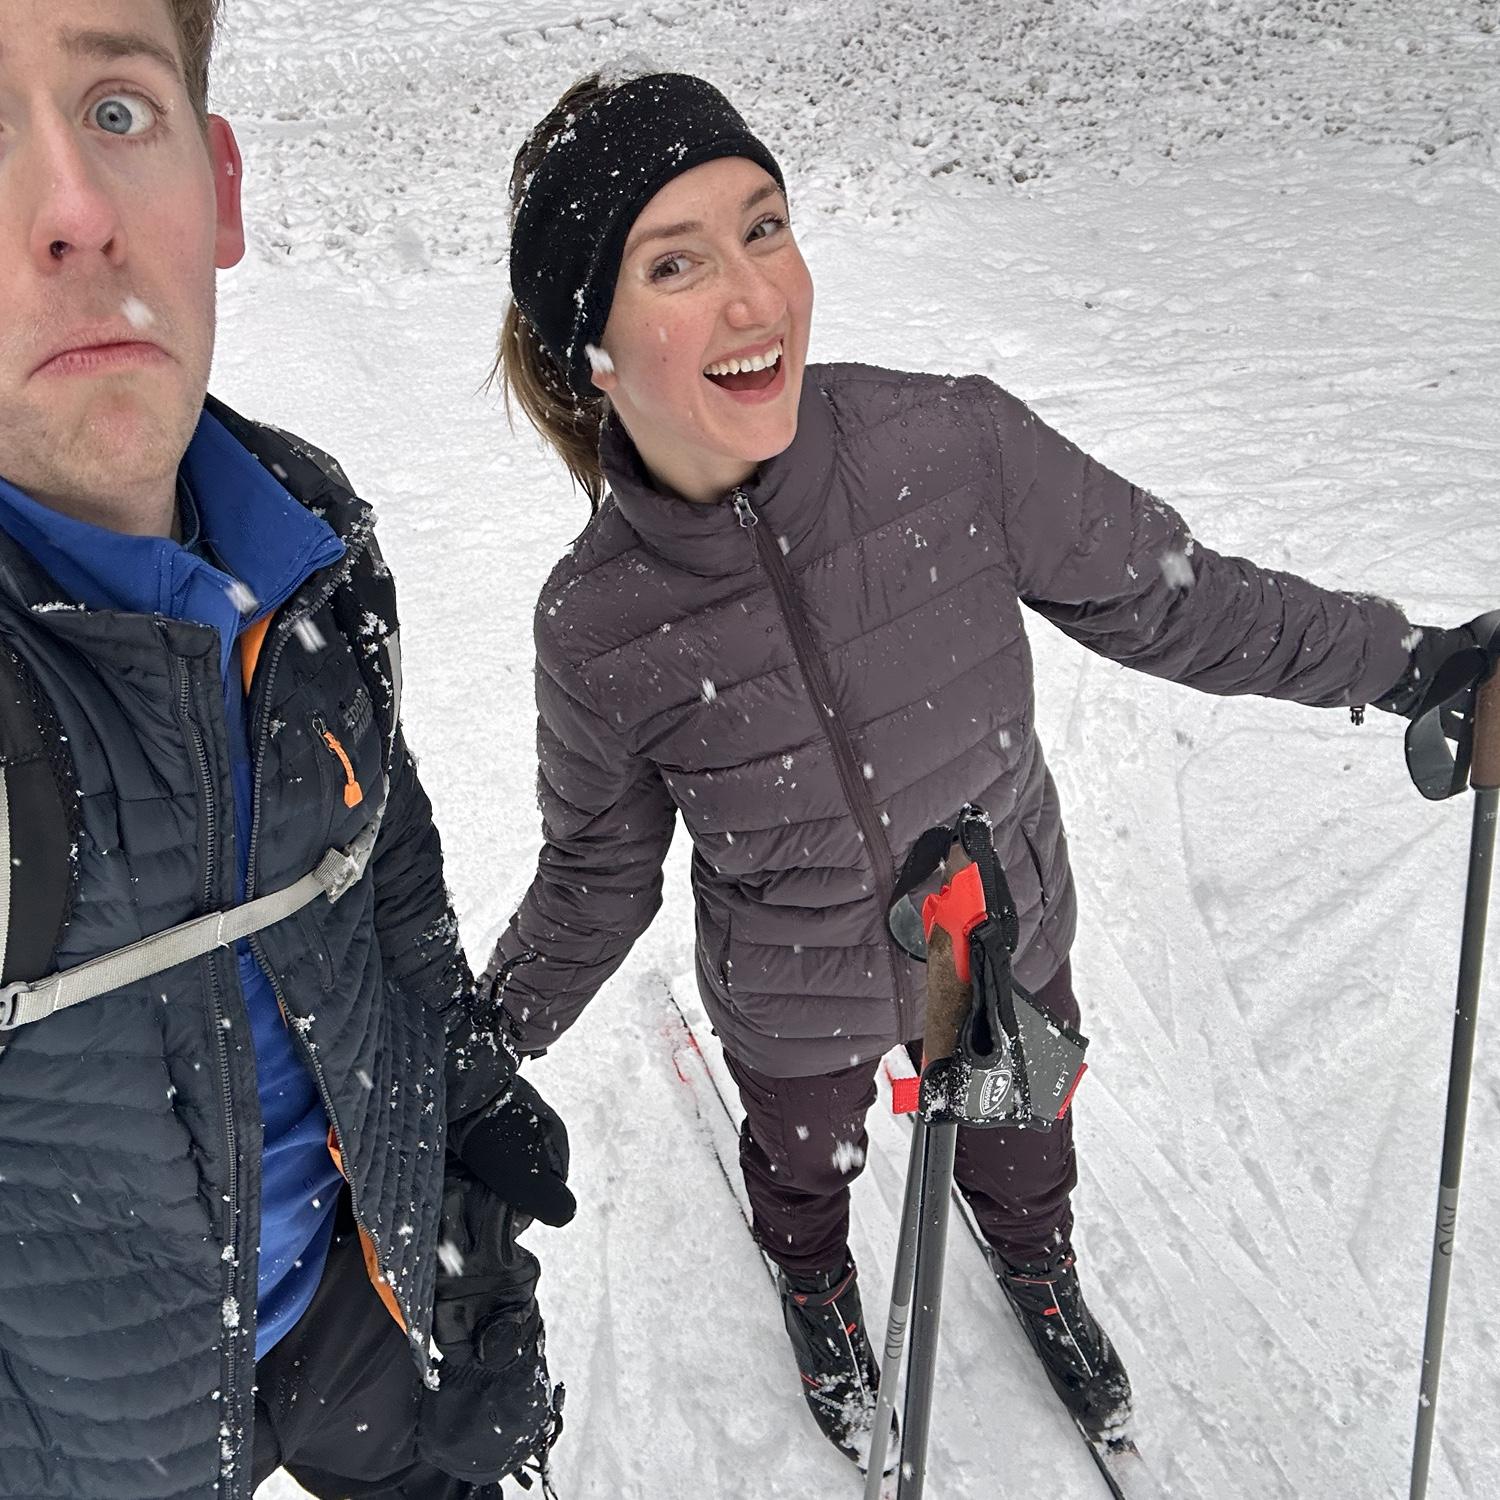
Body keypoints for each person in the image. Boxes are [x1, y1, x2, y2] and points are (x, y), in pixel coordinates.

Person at [485, 69, 1499, 1468]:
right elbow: (596, 877)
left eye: (765, 228)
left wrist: (1412, 666)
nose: (754, 297)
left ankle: (1037, 1263)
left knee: (1025, 1138)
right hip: (792, 988)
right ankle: (813, 1285)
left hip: (989, 931)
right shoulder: (598, 625)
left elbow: (1179, 600)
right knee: (804, 1162)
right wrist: (475, 1047)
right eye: (677, 264)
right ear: (590, 350)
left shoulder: (951, 445)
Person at [0, 5, 574, 1498]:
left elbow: (383, 870)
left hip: (353, 1310)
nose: (73, 210)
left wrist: (456, 1099)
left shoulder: (307, 545)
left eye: (117, 110)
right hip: (92, 1441)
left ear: (221, 189)